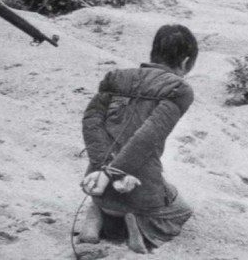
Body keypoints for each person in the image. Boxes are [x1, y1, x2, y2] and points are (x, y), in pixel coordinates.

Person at [78, 24, 198, 253]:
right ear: (185, 62)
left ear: (153, 52)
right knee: (181, 209)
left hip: (96, 184)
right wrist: (113, 172)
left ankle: (96, 214)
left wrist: (103, 168)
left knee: (109, 200)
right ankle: (137, 225)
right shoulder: (179, 89)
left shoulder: (115, 77)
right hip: (137, 189)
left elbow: (91, 122)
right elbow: (149, 134)